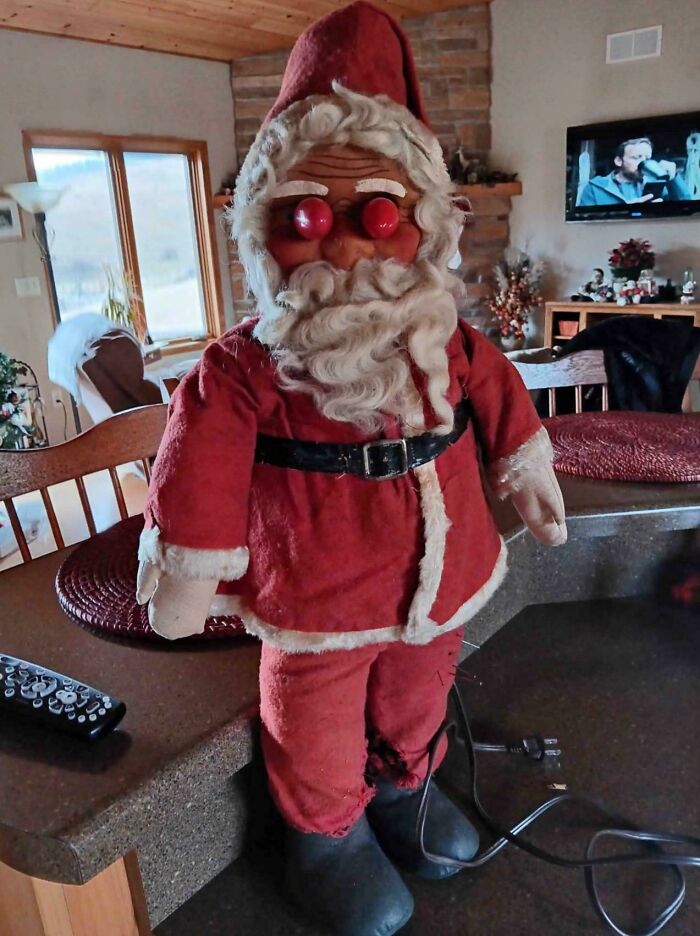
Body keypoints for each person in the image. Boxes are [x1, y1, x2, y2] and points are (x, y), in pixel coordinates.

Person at [135, 4, 567, 934]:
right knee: (315, 718)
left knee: (421, 686)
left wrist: (526, 467)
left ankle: (406, 789)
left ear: (416, 224)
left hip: (439, 578)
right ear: (264, 230)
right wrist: (187, 569)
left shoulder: (446, 337)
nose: (342, 244)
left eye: (373, 212)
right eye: (303, 215)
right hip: (316, 593)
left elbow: (499, 398)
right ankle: (326, 830)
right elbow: (198, 463)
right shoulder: (243, 365)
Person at [578, 137, 691, 206]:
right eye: (636, 158)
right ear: (618, 161)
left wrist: (674, 178)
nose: (643, 163)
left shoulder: (657, 184)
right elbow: (586, 222)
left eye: (647, 158)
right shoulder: (594, 187)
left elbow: (687, 205)